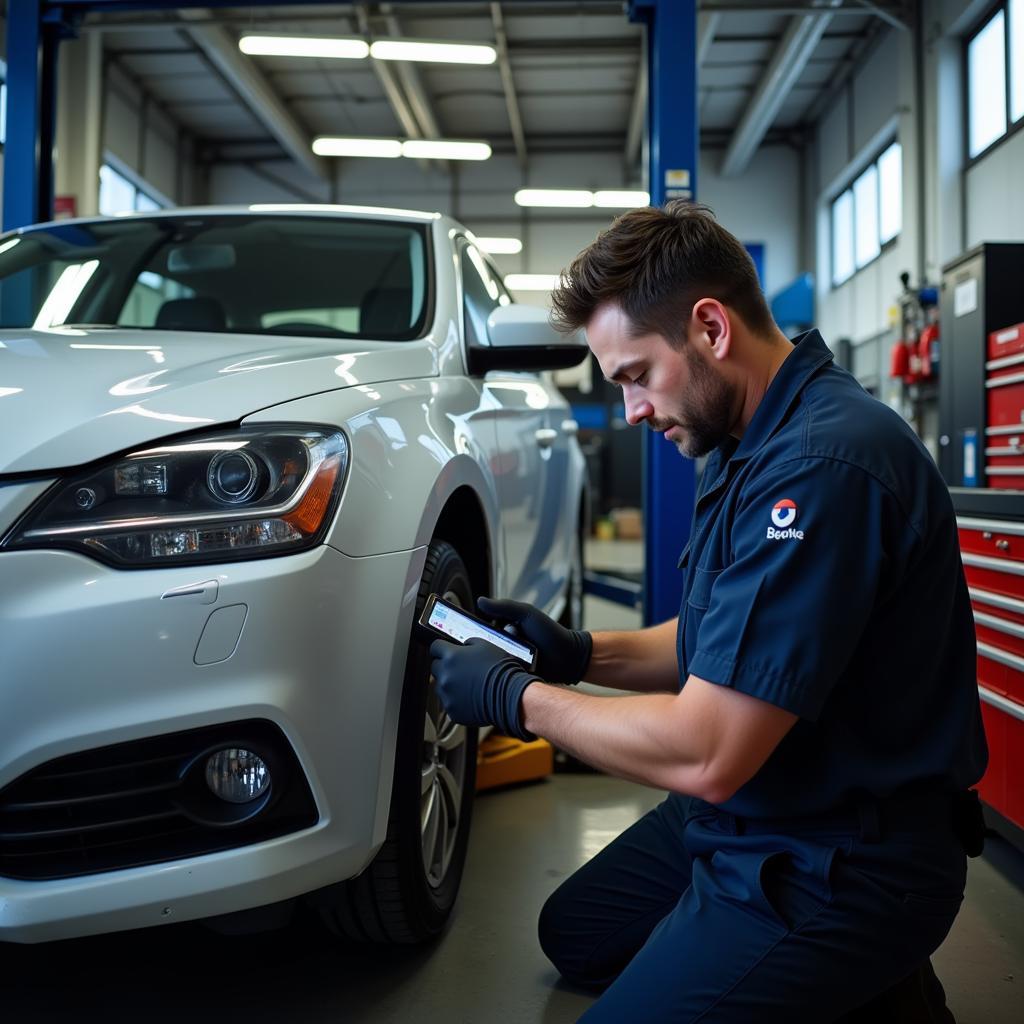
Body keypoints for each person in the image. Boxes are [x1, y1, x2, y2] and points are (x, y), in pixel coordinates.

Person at [428, 201, 988, 1022]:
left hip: (842, 858)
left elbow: (708, 751)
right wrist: (579, 653)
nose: (633, 412)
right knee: (577, 933)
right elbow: (722, 643)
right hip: (759, 803)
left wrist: (517, 700)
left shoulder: (823, 467)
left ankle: (873, 975)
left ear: (711, 329)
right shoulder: (742, 440)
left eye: (635, 376)